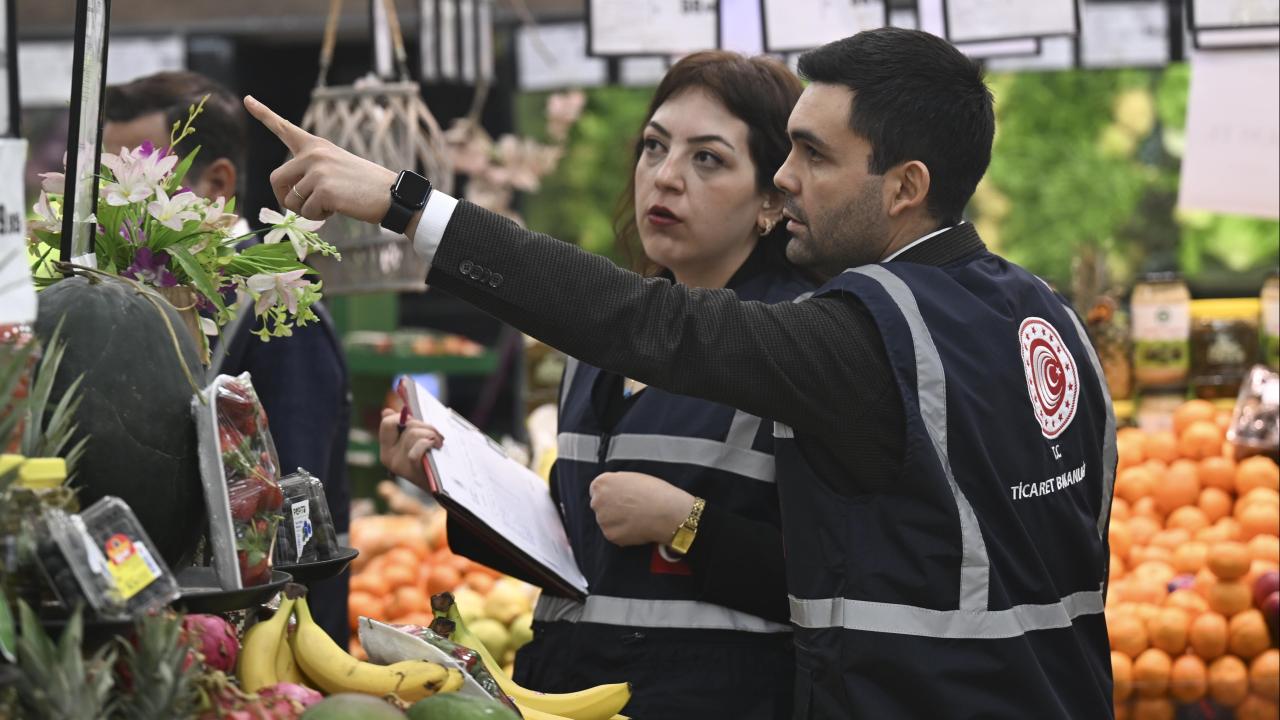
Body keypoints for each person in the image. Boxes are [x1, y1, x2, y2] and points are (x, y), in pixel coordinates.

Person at [248, 27, 1116, 719]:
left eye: (813, 156)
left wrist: (406, 202)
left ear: (904, 187)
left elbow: (637, 321)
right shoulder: (1047, 317)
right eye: (657, 148)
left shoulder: (864, 329)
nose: (786, 177)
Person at [382, 51, 811, 719]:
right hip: (564, 690)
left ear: (771, 199)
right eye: (654, 146)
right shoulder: (599, 342)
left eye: (708, 159)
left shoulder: (791, 343)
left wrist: (687, 525)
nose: (665, 177)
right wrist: (449, 484)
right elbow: (580, 551)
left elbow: (845, 574)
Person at [103, 71, 355, 648]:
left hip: (271, 647)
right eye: (106, 182)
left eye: (141, 181)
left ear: (217, 183)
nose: (111, 205)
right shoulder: (144, 302)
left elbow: (290, 513)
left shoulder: (275, 308)